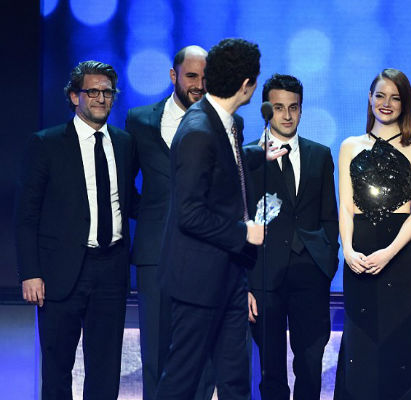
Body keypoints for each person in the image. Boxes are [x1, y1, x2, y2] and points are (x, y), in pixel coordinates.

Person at [15, 60, 138, 399]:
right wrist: (31, 273)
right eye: (92, 92)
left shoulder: (124, 143)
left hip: (111, 269)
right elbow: (26, 215)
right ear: (74, 96)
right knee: (57, 369)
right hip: (60, 272)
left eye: (107, 92)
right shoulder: (46, 143)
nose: (101, 98)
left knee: (105, 369)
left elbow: (129, 199)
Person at [155, 38, 266, 400]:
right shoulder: (199, 130)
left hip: (229, 275)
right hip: (197, 280)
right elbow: (190, 213)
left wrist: (257, 154)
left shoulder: (225, 124)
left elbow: (223, 170)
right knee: (182, 380)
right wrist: (244, 233)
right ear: (247, 84)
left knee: (235, 379)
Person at [334, 68, 411, 399]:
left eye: (395, 97)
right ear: (369, 98)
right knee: (360, 344)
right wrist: (347, 250)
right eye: (380, 95)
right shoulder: (349, 146)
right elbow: (346, 208)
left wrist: (389, 253)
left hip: (400, 254)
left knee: (399, 345)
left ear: (405, 103)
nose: (386, 103)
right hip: (359, 253)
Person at [125, 45, 216, 400]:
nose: (199, 85)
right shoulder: (139, 120)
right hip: (155, 251)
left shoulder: (224, 122)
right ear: (173, 75)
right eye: (191, 76)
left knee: (201, 348)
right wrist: (151, 214)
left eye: (205, 78)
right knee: (155, 348)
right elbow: (124, 183)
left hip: (205, 254)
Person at [244, 74, 339, 400]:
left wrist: (327, 261)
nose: (286, 115)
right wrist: (245, 284)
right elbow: (239, 220)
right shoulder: (247, 157)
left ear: (301, 109)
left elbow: (329, 215)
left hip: (310, 272)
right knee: (270, 370)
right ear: (266, 109)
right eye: (279, 107)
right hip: (263, 275)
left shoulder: (319, 155)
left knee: (311, 364)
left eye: (293, 107)